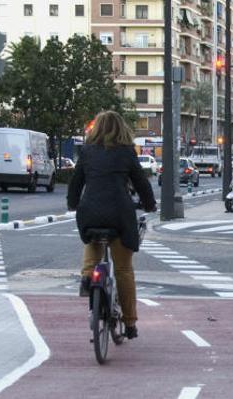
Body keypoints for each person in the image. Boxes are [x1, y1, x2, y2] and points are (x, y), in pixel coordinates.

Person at [67, 110, 156, 340]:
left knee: (91, 238)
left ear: (96, 129)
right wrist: (149, 205)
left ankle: (88, 276)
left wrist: (73, 204)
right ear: (121, 129)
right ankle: (130, 323)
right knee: (123, 269)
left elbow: (75, 183)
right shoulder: (126, 152)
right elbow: (141, 183)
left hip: (91, 212)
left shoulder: (86, 151)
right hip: (119, 214)